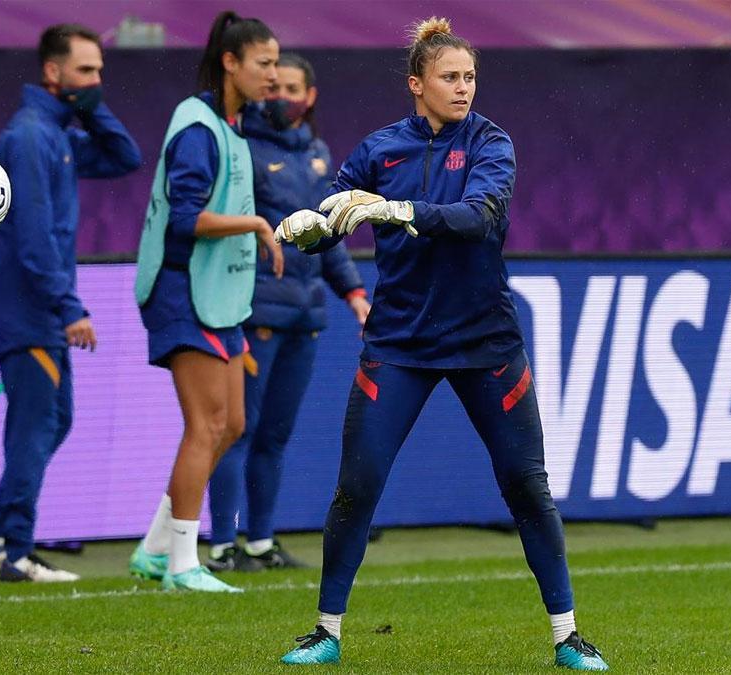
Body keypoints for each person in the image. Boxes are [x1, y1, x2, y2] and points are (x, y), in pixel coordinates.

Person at [274, 18, 608, 670]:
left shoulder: (492, 144)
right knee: (357, 486)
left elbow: (476, 219)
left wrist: (396, 211)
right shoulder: (380, 149)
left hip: (486, 342)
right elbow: (335, 211)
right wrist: (309, 225)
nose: (463, 88)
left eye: (470, 76)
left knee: (526, 486)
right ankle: (325, 631)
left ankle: (568, 635)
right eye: (450, 77)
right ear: (416, 84)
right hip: (398, 342)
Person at [0, 24, 140, 583]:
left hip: (37, 305)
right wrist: (69, 307)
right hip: (28, 307)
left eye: (100, 72)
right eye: (86, 71)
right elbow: (34, 235)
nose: (97, 81)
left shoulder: (56, 133)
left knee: (52, 419)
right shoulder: (28, 138)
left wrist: (92, 107)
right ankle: (15, 550)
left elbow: (124, 156)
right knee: (37, 425)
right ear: (52, 72)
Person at [128, 11, 284, 593]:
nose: (274, 74)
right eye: (264, 64)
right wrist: (259, 226)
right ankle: (182, 566)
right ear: (230, 63)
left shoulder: (233, 126)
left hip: (219, 293)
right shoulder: (196, 127)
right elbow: (188, 218)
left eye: (276, 63)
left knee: (233, 424)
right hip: (181, 289)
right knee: (207, 423)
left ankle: (153, 547)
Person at [205, 53, 370, 573]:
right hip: (258, 311)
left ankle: (259, 542)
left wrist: (353, 293)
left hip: (305, 315)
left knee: (275, 434)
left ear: (310, 95)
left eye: (292, 87)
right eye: (274, 86)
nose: (281, 96)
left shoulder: (319, 154)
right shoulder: (243, 148)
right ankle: (221, 545)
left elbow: (329, 234)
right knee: (239, 429)